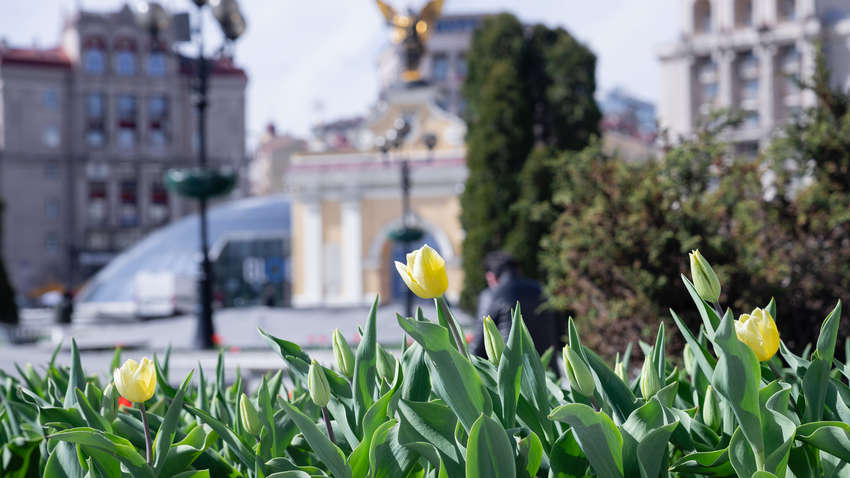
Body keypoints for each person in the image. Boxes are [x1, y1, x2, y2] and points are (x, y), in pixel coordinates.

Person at [471, 251, 562, 365]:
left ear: (491, 276)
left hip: (512, 372)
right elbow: (560, 333)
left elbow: (477, 348)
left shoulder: (491, 295)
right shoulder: (541, 289)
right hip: (548, 373)